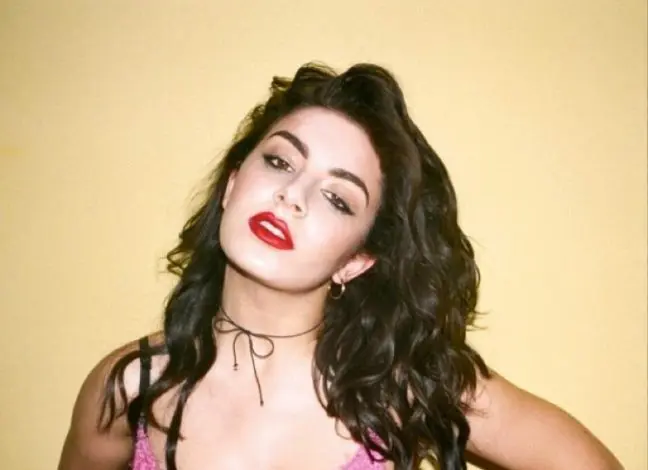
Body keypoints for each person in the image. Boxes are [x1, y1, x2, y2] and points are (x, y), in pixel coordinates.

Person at [57, 62, 623, 470]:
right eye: (280, 161)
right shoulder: (129, 386)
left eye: (337, 198)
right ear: (231, 184)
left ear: (357, 259)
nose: (292, 196)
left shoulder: (400, 389)